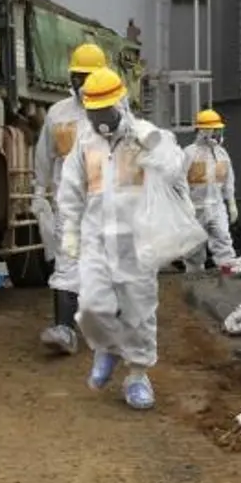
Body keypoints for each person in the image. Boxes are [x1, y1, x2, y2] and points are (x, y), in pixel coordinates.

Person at [55, 67, 186, 411]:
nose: (100, 119)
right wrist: (70, 230)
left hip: (136, 240)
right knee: (92, 306)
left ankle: (138, 375)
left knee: (139, 311)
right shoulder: (85, 143)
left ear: (122, 104)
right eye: (94, 112)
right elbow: (70, 190)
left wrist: (156, 151)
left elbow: (175, 166)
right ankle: (107, 349)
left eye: (105, 111)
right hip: (97, 238)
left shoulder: (144, 134)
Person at [32, 41, 106, 355]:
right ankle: (65, 329)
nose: (83, 83)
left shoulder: (116, 112)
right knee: (66, 264)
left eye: (89, 77)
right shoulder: (58, 114)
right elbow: (44, 155)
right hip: (70, 204)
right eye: (79, 76)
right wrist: (39, 191)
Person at [182, 109, 238, 271]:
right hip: (194, 209)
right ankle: (194, 281)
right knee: (194, 249)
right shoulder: (189, 154)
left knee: (223, 241)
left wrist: (232, 203)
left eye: (218, 129)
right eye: (214, 129)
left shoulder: (221, 154)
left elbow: (228, 180)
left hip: (216, 207)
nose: (217, 132)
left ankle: (227, 277)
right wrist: (186, 203)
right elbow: (179, 181)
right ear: (203, 130)